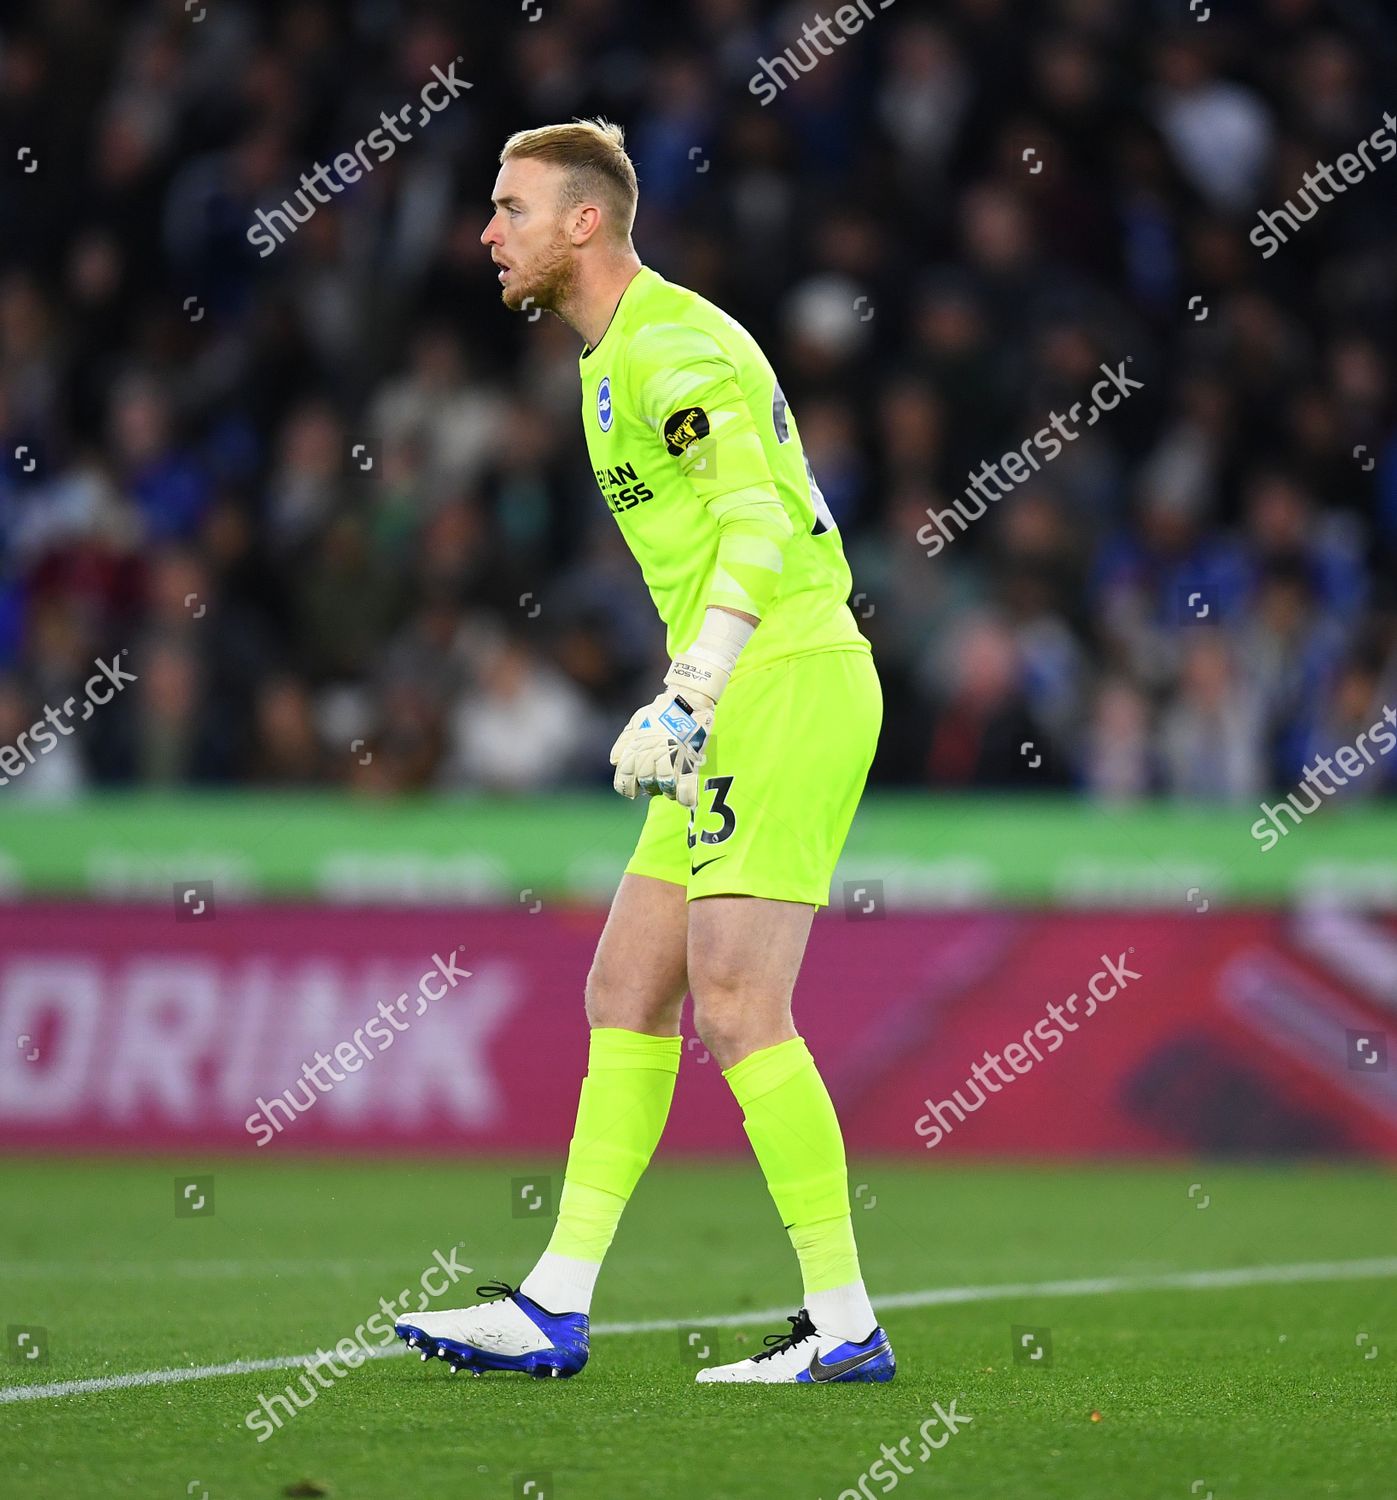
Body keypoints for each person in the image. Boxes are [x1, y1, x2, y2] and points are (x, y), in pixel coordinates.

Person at [396, 118, 890, 1384]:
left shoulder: (668, 348)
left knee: (735, 1004)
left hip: (779, 676)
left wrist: (690, 691)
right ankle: (556, 1304)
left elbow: (755, 530)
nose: (486, 232)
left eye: (508, 208)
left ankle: (843, 1326)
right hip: (739, 686)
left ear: (582, 223)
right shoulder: (609, 356)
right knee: (625, 989)